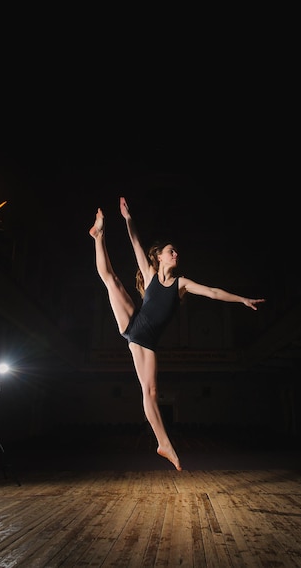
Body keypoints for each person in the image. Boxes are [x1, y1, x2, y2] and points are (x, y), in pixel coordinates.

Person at [89, 197, 265, 471]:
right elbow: (136, 242)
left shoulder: (181, 284)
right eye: (170, 251)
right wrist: (128, 219)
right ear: (159, 256)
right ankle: (98, 235)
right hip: (134, 327)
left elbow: (213, 292)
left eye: (175, 252)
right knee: (110, 279)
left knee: (152, 391)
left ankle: (163, 443)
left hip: (144, 341)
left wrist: (241, 299)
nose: (175, 254)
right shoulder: (149, 274)